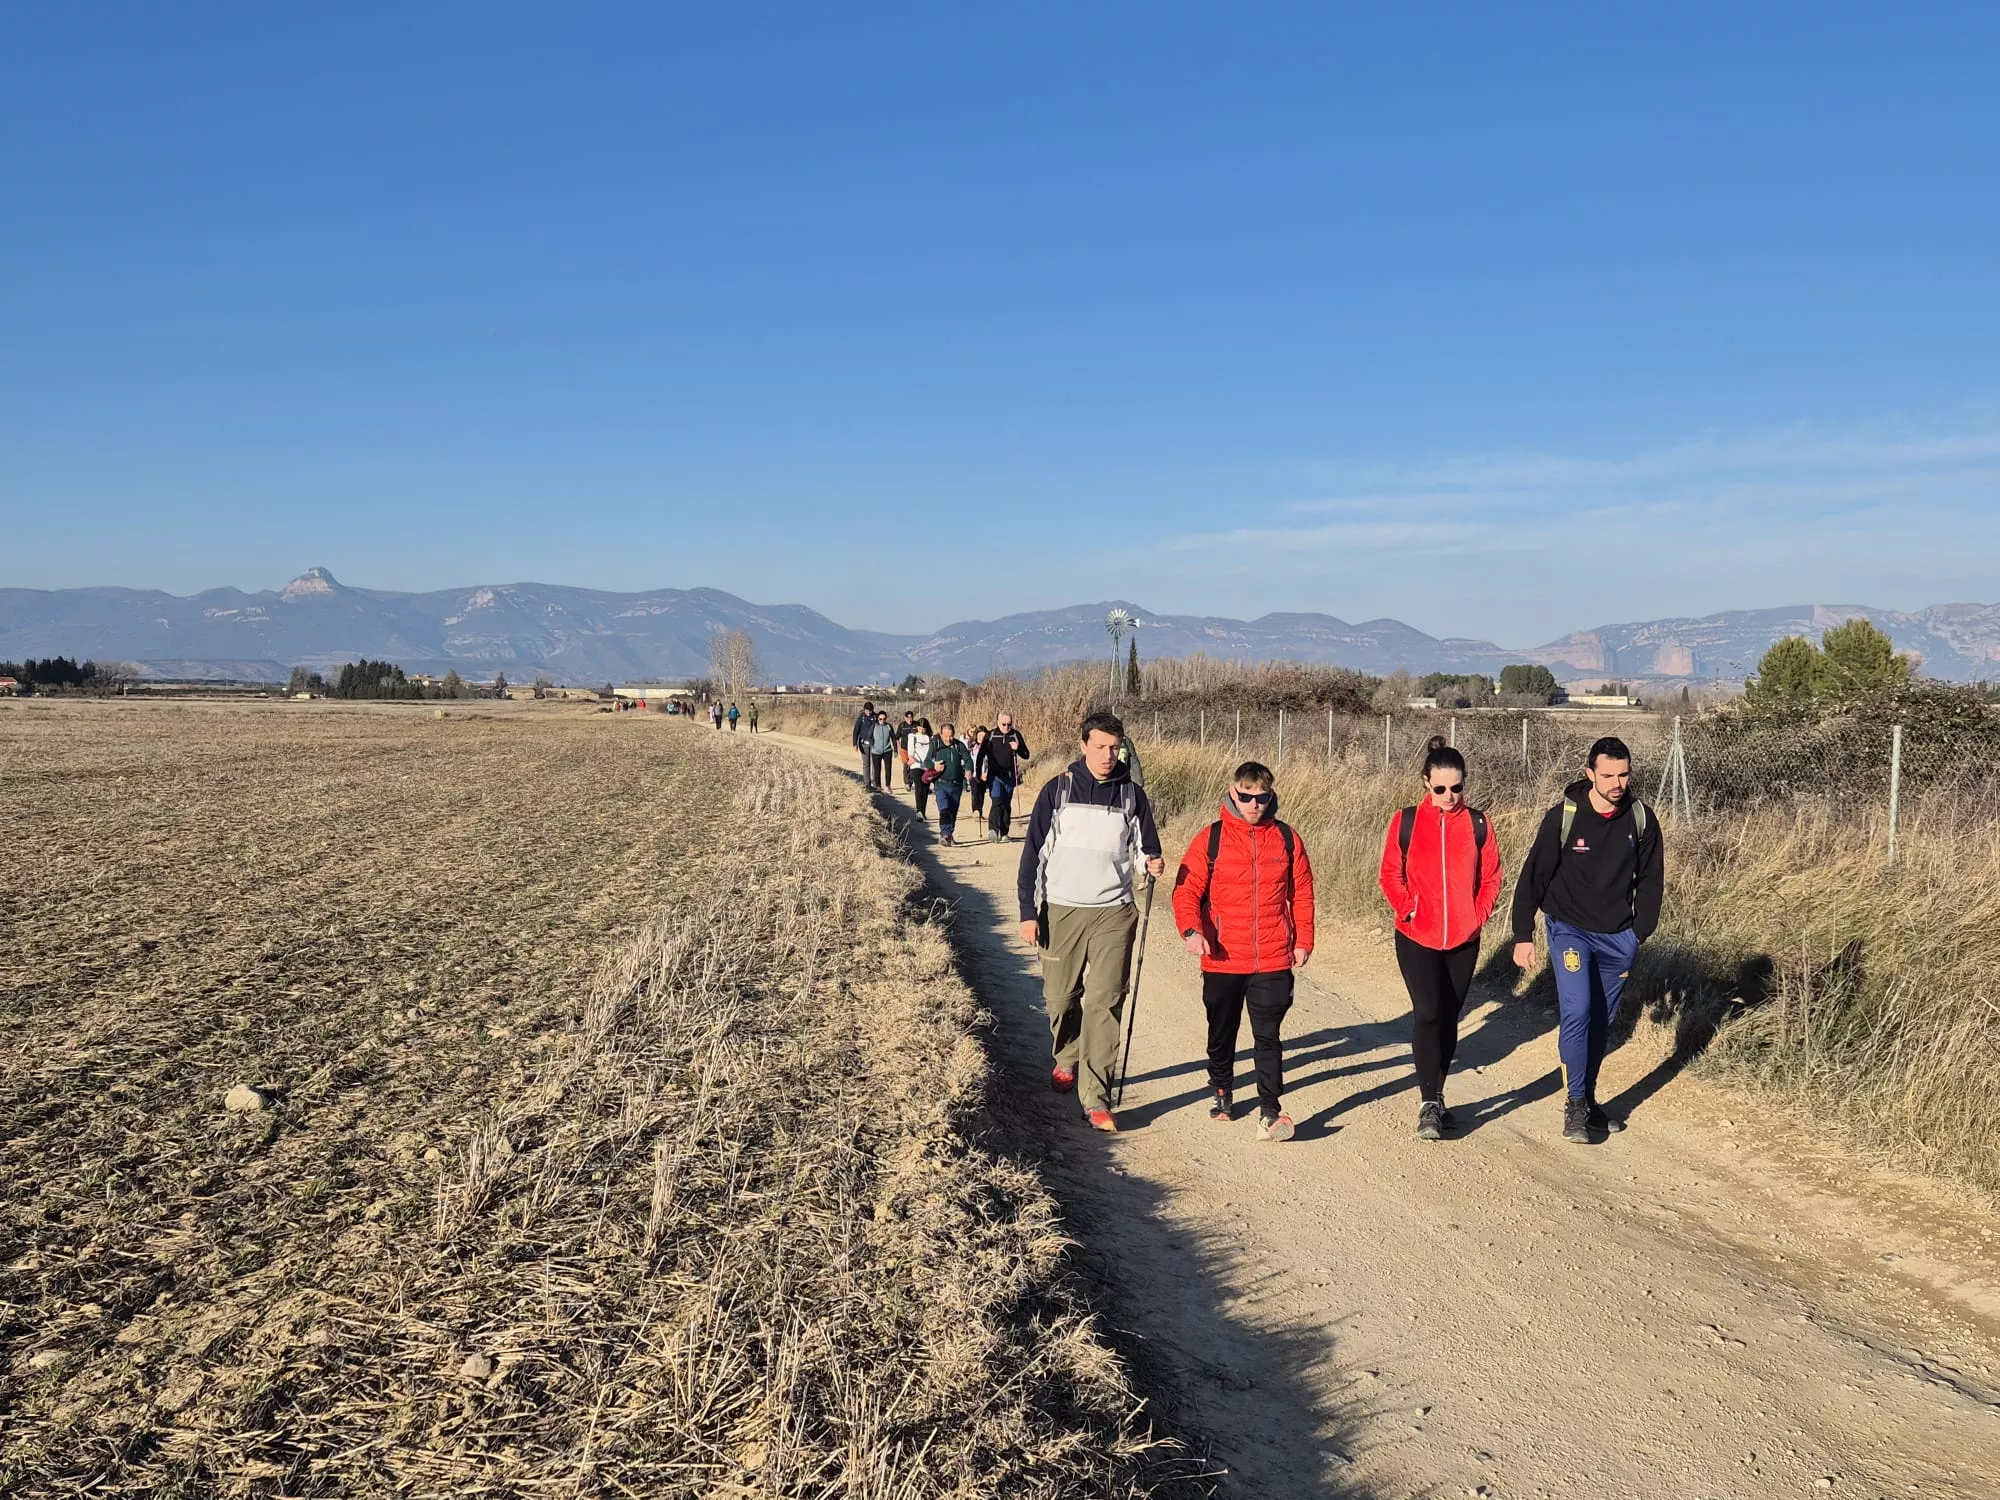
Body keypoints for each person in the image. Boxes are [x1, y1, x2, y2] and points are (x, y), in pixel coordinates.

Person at [1510, 736, 1665, 1143]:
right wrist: (1523, 934)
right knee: (1577, 1011)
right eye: (1609, 775)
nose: (1618, 782)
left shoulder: (1641, 819)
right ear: (1590, 774)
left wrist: (1638, 933)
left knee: (1601, 1022)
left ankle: (1589, 1100)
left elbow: (1651, 882)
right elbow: (1533, 878)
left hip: (1619, 938)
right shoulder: (1563, 817)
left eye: (1624, 774)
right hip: (1570, 930)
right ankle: (1575, 1105)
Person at [1017, 711, 1165, 1132]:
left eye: (1114, 748)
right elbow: (1033, 857)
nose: (1107, 755)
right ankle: (1067, 1055)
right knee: (1061, 999)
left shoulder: (1132, 795)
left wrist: (1150, 864)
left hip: (1114, 912)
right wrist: (1029, 913)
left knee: (1105, 1000)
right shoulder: (1058, 790)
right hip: (1061, 909)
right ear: (1083, 746)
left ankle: (1095, 1097)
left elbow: (1144, 849)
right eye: (1099, 747)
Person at [1172, 760, 1315, 1142]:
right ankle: (1221, 1088)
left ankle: (1270, 1110)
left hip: (1272, 956)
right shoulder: (1211, 838)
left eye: (1261, 798)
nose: (1254, 805)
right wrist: (1191, 930)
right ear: (1233, 793)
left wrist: (1303, 940)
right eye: (1246, 797)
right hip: (1222, 955)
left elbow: (1301, 893)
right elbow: (1186, 890)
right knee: (1222, 1030)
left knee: (1268, 1034)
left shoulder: (1287, 839)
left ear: (1271, 797)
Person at [1378, 737, 1504, 1141]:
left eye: (1457, 788)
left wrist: (1477, 916)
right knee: (1429, 1012)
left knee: (1449, 1017)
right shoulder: (1406, 821)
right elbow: (1389, 875)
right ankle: (1428, 1101)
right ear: (1425, 784)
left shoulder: (1479, 824)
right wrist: (1407, 907)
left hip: (1463, 939)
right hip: (1417, 935)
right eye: (1440, 789)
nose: (1450, 796)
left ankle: (1439, 1092)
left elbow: (1492, 878)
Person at [923, 722, 977, 845]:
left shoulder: (959, 745)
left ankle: (949, 834)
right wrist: (934, 765)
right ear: (941, 735)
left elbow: (968, 759)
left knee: (953, 811)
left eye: (951, 736)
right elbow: (926, 761)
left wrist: (969, 770)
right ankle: (945, 834)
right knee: (945, 809)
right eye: (946, 736)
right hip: (941, 784)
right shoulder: (935, 744)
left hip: (956, 784)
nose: (948, 739)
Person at [983, 713, 1031, 842]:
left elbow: (1026, 755)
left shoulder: (1015, 735)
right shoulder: (991, 735)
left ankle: (1004, 832)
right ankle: (993, 830)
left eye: (1009, 724)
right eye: (1004, 724)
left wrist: (1018, 747)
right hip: (995, 776)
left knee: (1006, 804)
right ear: (997, 722)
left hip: (1009, 776)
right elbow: (981, 754)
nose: (1006, 727)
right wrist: (979, 772)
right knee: (997, 801)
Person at [905, 719, 934, 820]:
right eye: (920, 727)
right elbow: (910, 750)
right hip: (916, 765)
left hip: (927, 766)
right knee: (919, 787)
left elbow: (932, 751)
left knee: (926, 789)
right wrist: (911, 757)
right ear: (917, 727)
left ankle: (923, 811)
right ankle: (918, 811)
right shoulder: (912, 736)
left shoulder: (930, 738)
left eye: (924, 728)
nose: (921, 729)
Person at [867, 711, 897, 792]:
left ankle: (887, 786)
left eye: (884, 719)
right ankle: (878, 787)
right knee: (877, 769)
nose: (882, 721)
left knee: (888, 769)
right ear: (878, 719)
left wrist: (895, 750)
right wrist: (873, 745)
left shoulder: (888, 726)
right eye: (880, 719)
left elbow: (893, 738)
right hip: (876, 752)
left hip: (887, 751)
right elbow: (869, 737)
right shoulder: (874, 726)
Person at [967, 727, 989, 825]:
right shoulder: (972, 747)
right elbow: (967, 761)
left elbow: (990, 763)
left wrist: (987, 773)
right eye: (980, 736)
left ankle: (980, 811)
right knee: (975, 792)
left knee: (981, 794)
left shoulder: (989, 748)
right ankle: (975, 810)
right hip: (974, 774)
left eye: (984, 736)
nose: (981, 738)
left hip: (984, 774)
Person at [852, 700, 877, 780]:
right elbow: (856, 730)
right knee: (866, 764)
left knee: (875, 764)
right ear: (864, 710)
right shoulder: (861, 717)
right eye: (867, 711)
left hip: (874, 744)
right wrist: (854, 744)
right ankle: (867, 783)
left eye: (870, 711)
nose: (869, 713)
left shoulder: (876, 717)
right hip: (863, 744)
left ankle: (875, 782)